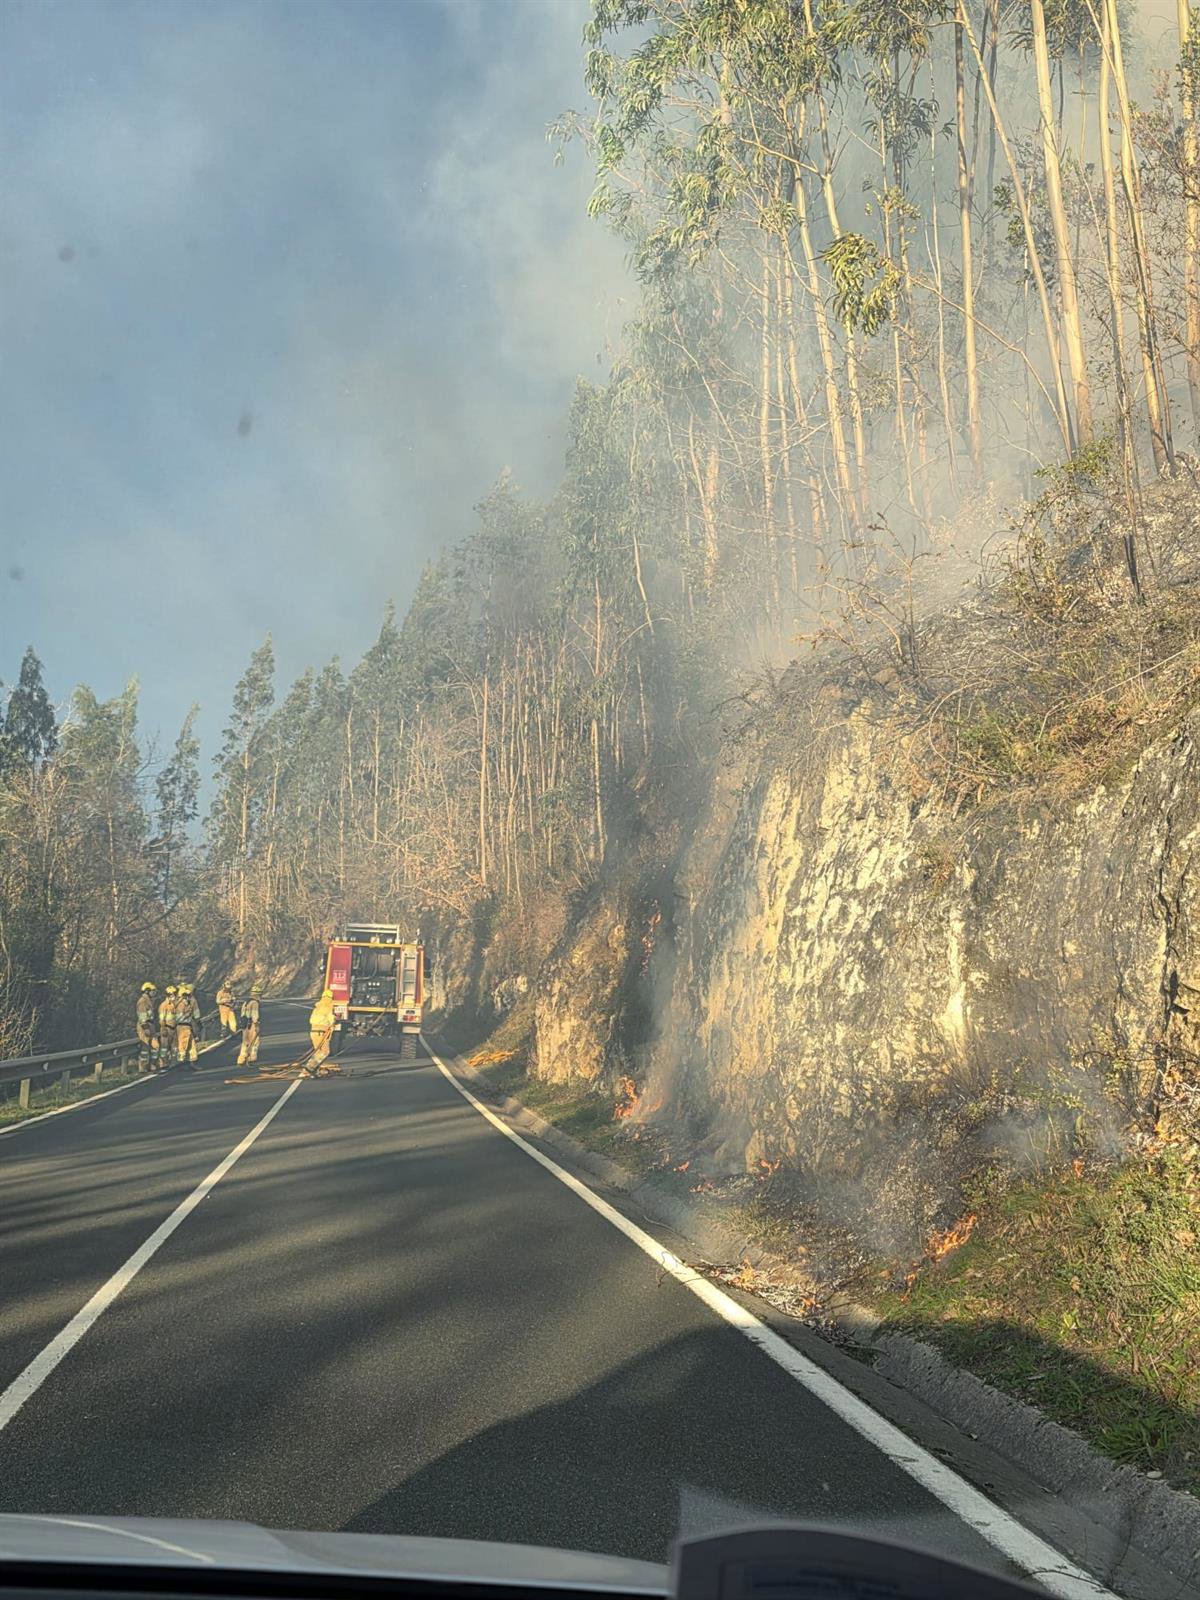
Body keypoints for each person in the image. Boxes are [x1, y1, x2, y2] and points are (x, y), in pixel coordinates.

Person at [309, 987, 336, 1067]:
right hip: (322, 1032)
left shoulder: (317, 1007)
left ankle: (312, 1068)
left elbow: (311, 1019)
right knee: (325, 1052)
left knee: (318, 1052)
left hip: (313, 1032)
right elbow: (332, 1021)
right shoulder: (329, 1007)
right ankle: (310, 1067)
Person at [135, 982, 159, 1071]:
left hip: (151, 1024)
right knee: (145, 1047)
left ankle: (153, 1065)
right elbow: (142, 1017)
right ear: (147, 991)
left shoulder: (150, 1001)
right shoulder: (142, 1002)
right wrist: (145, 1028)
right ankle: (143, 1067)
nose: (154, 993)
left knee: (155, 1046)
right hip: (144, 1026)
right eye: (153, 991)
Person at [174, 983, 200, 1066]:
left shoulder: (177, 1001)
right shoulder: (186, 1002)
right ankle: (181, 1063)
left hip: (184, 1026)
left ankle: (192, 1061)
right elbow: (196, 1015)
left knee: (191, 1044)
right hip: (184, 1026)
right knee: (183, 1045)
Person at [237, 983, 263, 1066]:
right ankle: (252, 1058)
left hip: (244, 1025)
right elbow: (255, 1016)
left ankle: (241, 1060)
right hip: (251, 1024)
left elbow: (242, 1014)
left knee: (245, 1042)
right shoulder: (255, 1003)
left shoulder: (246, 1002)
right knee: (255, 1042)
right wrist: (257, 1025)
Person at [158, 985, 177, 1068]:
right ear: (168, 995)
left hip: (174, 1028)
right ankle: (163, 1063)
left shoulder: (174, 1004)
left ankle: (174, 1062)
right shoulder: (164, 1005)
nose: (174, 996)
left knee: (174, 1046)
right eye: (172, 994)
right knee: (164, 1047)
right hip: (167, 1028)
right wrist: (163, 1028)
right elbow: (162, 1019)